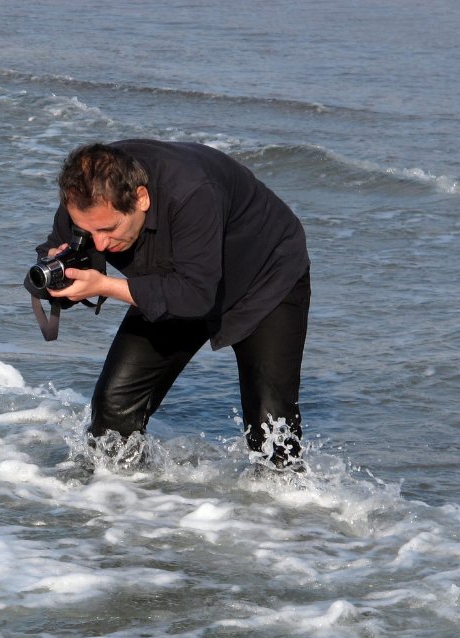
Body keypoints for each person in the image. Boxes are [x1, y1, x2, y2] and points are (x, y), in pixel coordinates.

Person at [27, 139, 311, 468]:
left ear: (141, 198)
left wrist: (105, 285)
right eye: (90, 231)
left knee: (271, 432)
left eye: (109, 229)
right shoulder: (84, 198)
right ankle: (117, 506)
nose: (100, 243)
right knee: (112, 411)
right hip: (172, 282)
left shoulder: (191, 191)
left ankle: (286, 513)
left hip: (264, 276)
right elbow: (50, 259)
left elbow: (194, 296)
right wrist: (55, 280)